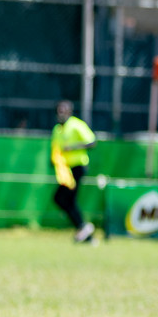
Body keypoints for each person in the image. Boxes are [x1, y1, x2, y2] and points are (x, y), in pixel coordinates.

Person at [50, 100, 96, 242]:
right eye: (59, 111)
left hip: (77, 167)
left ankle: (83, 227)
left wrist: (73, 147)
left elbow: (92, 142)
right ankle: (84, 231)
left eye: (63, 111)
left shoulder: (76, 125)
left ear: (69, 112)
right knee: (61, 199)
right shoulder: (57, 129)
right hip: (65, 170)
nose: (60, 114)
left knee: (66, 199)